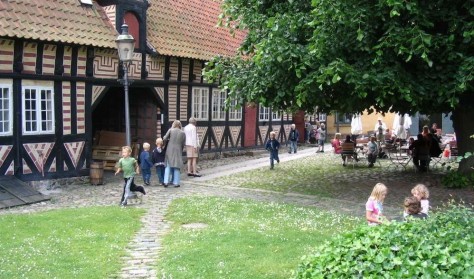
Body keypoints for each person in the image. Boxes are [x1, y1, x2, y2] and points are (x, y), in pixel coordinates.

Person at [163, 120, 186, 187]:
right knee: (176, 166)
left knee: (168, 166)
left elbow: (164, 138)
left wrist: (167, 141)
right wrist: (180, 150)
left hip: (169, 149)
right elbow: (183, 143)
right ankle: (176, 183)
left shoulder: (170, 130)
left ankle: (166, 182)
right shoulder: (183, 133)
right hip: (178, 150)